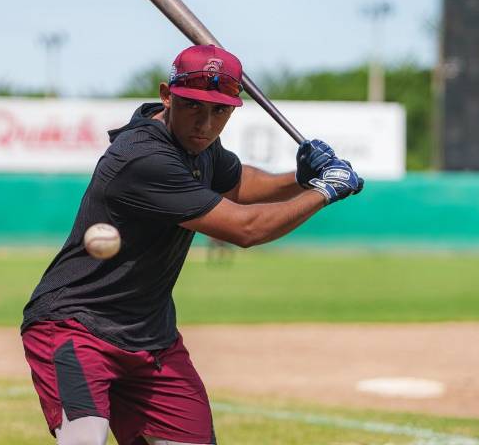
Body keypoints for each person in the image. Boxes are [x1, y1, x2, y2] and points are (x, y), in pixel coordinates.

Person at [20, 44, 363, 445]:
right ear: (168, 95)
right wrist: (324, 191)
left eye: (220, 111)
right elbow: (246, 229)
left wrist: (298, 179)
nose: (205, 123)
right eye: (193, 107)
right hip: (74, 328)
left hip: (151, 339)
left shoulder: (195, 145)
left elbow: (238, 184)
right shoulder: (144, 159)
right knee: (83, 439)